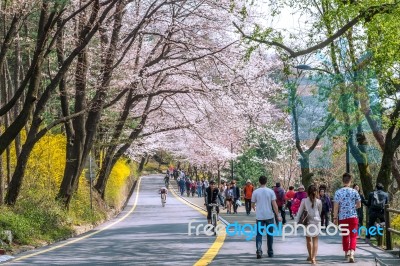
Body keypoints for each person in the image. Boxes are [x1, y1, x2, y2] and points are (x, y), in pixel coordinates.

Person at [333, 173, 361, 263]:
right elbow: (359, 205)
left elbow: (336, 207)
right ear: (350, 181)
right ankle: (352, 253)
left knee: (345, 235)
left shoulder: (338, 192)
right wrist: (352, 208)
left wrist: (335, 218)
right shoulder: (354, 191)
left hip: (343, 218)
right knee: (353, 235)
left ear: (342, 181)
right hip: (353, 217)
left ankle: (346, 253)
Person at [252, 175, 282, 259]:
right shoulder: (270, 191)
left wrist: (255, 208)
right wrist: (278, 215)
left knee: (259, 234)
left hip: (259, 217)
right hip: (269, 216)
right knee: (270, 234)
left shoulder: (256, 192)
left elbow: (252, 204)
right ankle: (270, 252)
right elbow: (274, 205)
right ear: (266, 181)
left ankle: (258, 250)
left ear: (259, 181)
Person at [295, 185, 322, 265]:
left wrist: (296, 222)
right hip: (316, 222)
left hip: (307, 222)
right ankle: (314, 258)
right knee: (315, 239)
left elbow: (300, 212)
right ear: (316, 192)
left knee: (308, 239)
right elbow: (319, 212)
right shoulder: (319, 201)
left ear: (307, 192)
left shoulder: (304, 200)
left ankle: (310, 256)